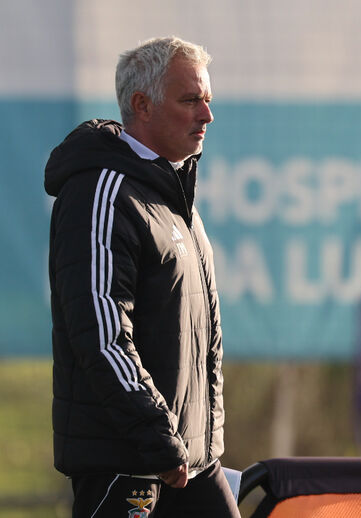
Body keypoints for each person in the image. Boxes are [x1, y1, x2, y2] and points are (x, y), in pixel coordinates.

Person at [45, 36, 239, 517]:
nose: (206, 115)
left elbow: (205, 336)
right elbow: (101, 333)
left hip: (193, 463)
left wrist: (202, 442)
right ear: (141, 105)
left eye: (208, 100)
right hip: (130, 466)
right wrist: (159, 438)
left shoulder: (172, 194)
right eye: (191, 99)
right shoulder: (102, 191)